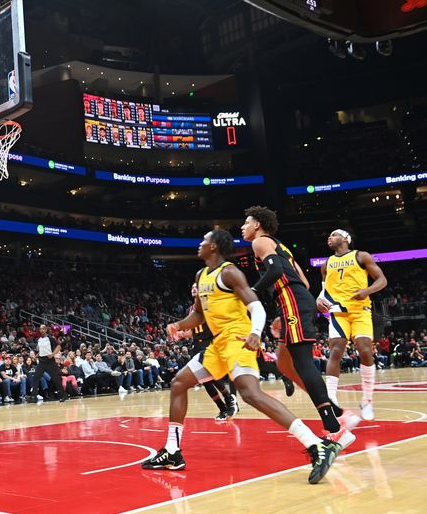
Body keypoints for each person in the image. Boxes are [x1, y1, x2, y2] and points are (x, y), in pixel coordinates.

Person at [141, 229, 341, 484]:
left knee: (250, 394)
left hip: (237, 339)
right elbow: (199, 315)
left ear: (214, 247)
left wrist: (256, 332)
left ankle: (316, 446)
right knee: (179, 383)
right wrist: (179, 326)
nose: (199, 244)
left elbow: (256, 306)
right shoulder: (201, 275)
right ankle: (172, 452)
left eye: (204, 241)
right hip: (217, 345)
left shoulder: (230, 272)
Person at [241, 206, 359, 448]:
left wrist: (251, 294)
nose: (243, 227)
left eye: (246, 222)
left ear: (257, 225)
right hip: (294, 301)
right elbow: (303, 281)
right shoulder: (280, 245)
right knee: (284, 364)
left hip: (293, 301)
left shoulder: (260, 242)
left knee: (302, 362)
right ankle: (337, 412)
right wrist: (285, 312)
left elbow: (274, 271)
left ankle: (334, 427)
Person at [316, 230, 387, 422]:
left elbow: (382, 280)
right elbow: (323, 292)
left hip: (360, 309)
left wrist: (367, 290)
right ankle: (331, 399)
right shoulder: (326, 264)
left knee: (365, 350)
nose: (329, 238)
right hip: (338, 312)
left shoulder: (361, 256)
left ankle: (367, 400)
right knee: (335, 351)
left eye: (333, 235)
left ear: (345, 239)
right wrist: (318, 300)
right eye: (328, 236)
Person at [183, 284, 239, 421]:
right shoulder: (190, 310)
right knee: (205, 381)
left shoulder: (210, 305)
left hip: (209, 343)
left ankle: (230, 400)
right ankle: (222, 408)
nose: (193, 288)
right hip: (196, 345)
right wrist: (182, 333)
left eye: (196, 287)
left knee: (211, 376)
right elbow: (192, 332)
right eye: (192, 287)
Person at [29, 325, 67, 402]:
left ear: (46, 330)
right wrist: (36, 356)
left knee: (56, 379)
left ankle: (64, 395)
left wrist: (53, 354)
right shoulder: (38, 339)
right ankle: (33, 396)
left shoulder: (50, 338)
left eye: (43, 329)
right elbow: (41, 350)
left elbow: (59, 346)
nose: (41, 330)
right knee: (36, 377)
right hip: (41, 362)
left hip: (50, 362)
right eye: (40, 329)